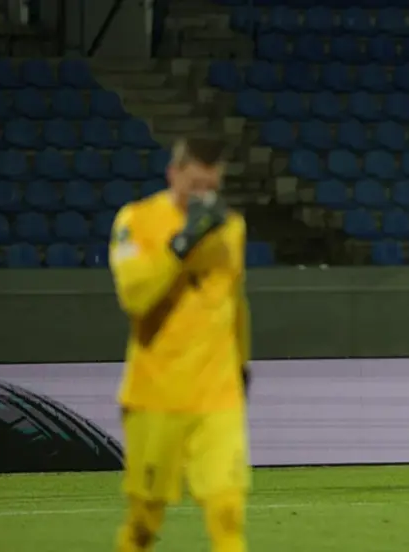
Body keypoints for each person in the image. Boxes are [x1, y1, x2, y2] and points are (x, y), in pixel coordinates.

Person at [109, 137, 251, 552]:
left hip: (217, 393)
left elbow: (235, 301)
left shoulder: (231, 228)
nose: (203, 196)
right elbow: (135, 297)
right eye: (195, 186)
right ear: (174, 174)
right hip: (156, 393)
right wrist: (182, 243)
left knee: (227, 511)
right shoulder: (136, 220)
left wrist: (242, 364)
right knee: (144, 522)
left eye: (211, 187)